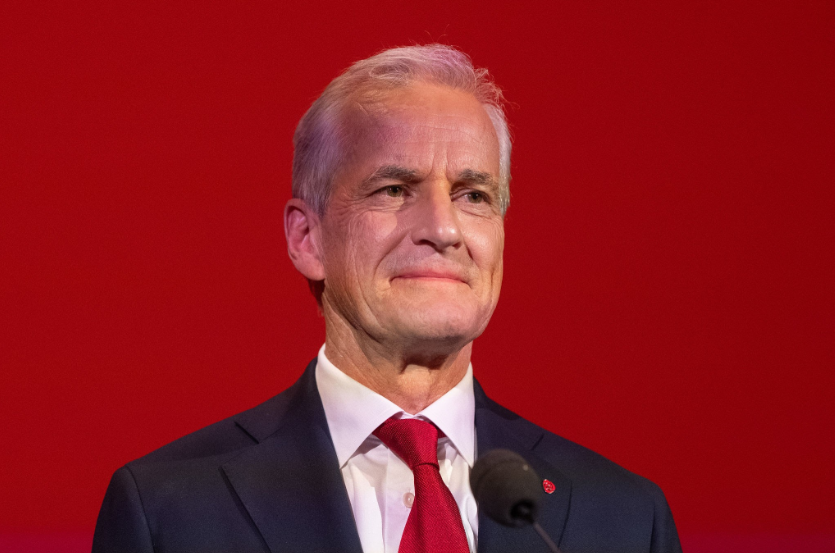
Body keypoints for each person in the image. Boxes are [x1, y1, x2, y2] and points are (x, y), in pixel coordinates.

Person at [92, 44, 682, 553]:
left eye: (474, 195)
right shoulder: (172, 511)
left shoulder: (624, 517)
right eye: (395, 189)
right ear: (307, 238)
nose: (443, 229)